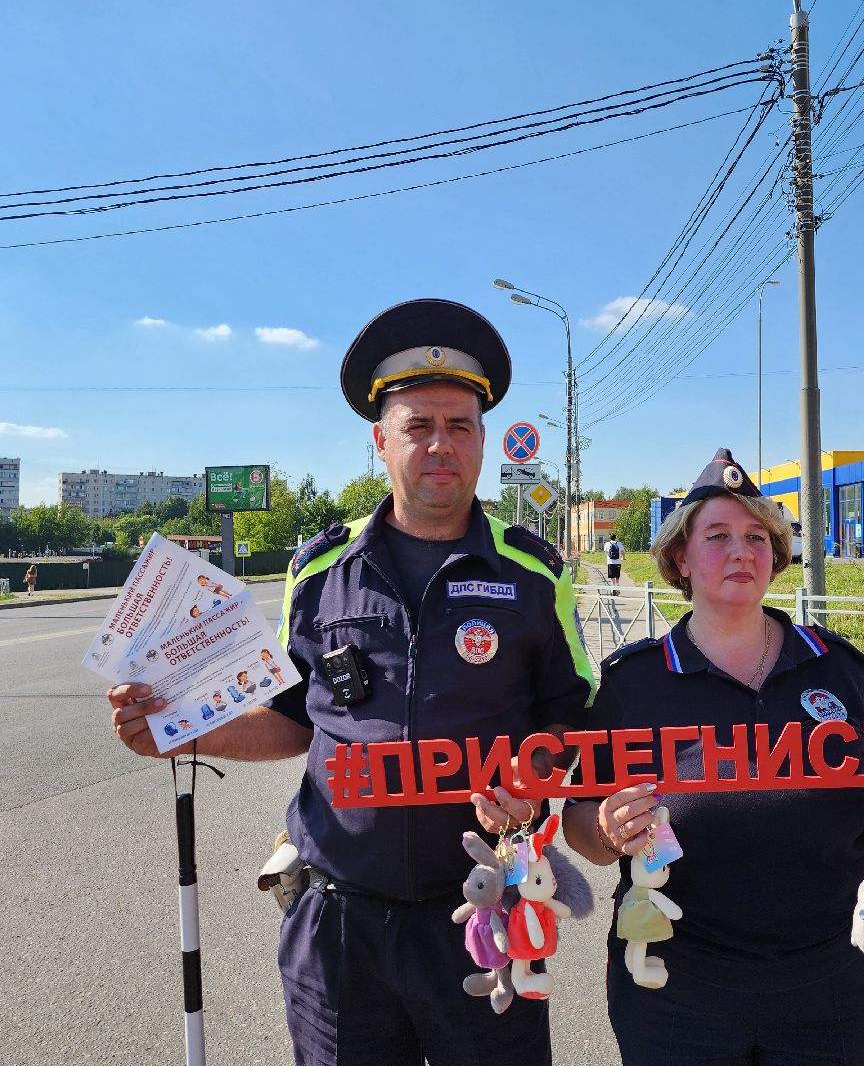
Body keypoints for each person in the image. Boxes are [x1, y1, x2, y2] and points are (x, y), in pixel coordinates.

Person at [107, 298, 595, 1066]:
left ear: (483, 439)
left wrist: (532, 785)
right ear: (380, 441)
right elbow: (294, 717)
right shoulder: (319, 570)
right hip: (337, 924)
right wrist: (183, 728)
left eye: (460, 425)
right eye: (418, 426)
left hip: (480, 914)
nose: (441, 445)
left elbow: (574, 721)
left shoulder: (534, 573)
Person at [563, 448, 864, 1066]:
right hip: (678, 986)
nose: (740, 551)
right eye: (716, 537)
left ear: (776, 555)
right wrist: (609, 832)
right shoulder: (635, 683)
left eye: (756, 536)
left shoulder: (832, 667)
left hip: (837, 980)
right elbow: (578, 822)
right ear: (680, 560)